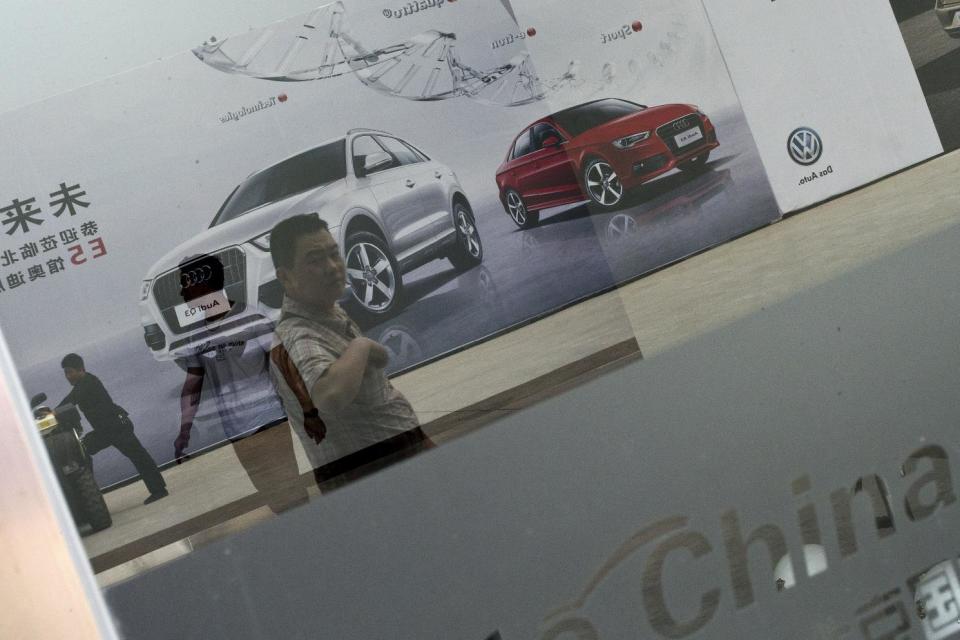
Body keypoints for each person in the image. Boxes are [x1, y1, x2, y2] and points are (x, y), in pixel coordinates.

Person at [267, 213, 433, 488]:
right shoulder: (297, 336)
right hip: (379, 483)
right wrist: (363, 346)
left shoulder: (327, 310)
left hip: (404, 462)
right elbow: (330, 396)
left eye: (334, 254)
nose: (332, 267)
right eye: (315, 260)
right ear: (286, 277)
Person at [173, 254, 307, 513]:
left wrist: (307, 408)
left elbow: (285, 365)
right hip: (236, 431)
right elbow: (192, 386)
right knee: (270, 494)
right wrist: (184, 431)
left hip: (270, 421)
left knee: (290, 488)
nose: (182, 291)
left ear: (203, 282)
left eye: (185, 283)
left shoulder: (253, 318)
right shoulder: (194, 335)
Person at [58, 353, 168, 504]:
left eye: (70, 372)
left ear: (80, 369)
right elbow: (70, 399)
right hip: (106, 431)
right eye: (65, 373)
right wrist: (53, 412)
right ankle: (89, 496)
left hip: (117, 427)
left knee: (139, 457)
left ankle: (159, 490)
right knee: (83, 450)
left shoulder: (88, 382)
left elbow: (71, 400)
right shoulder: (83, 384)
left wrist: (53, 412)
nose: (68, 376)